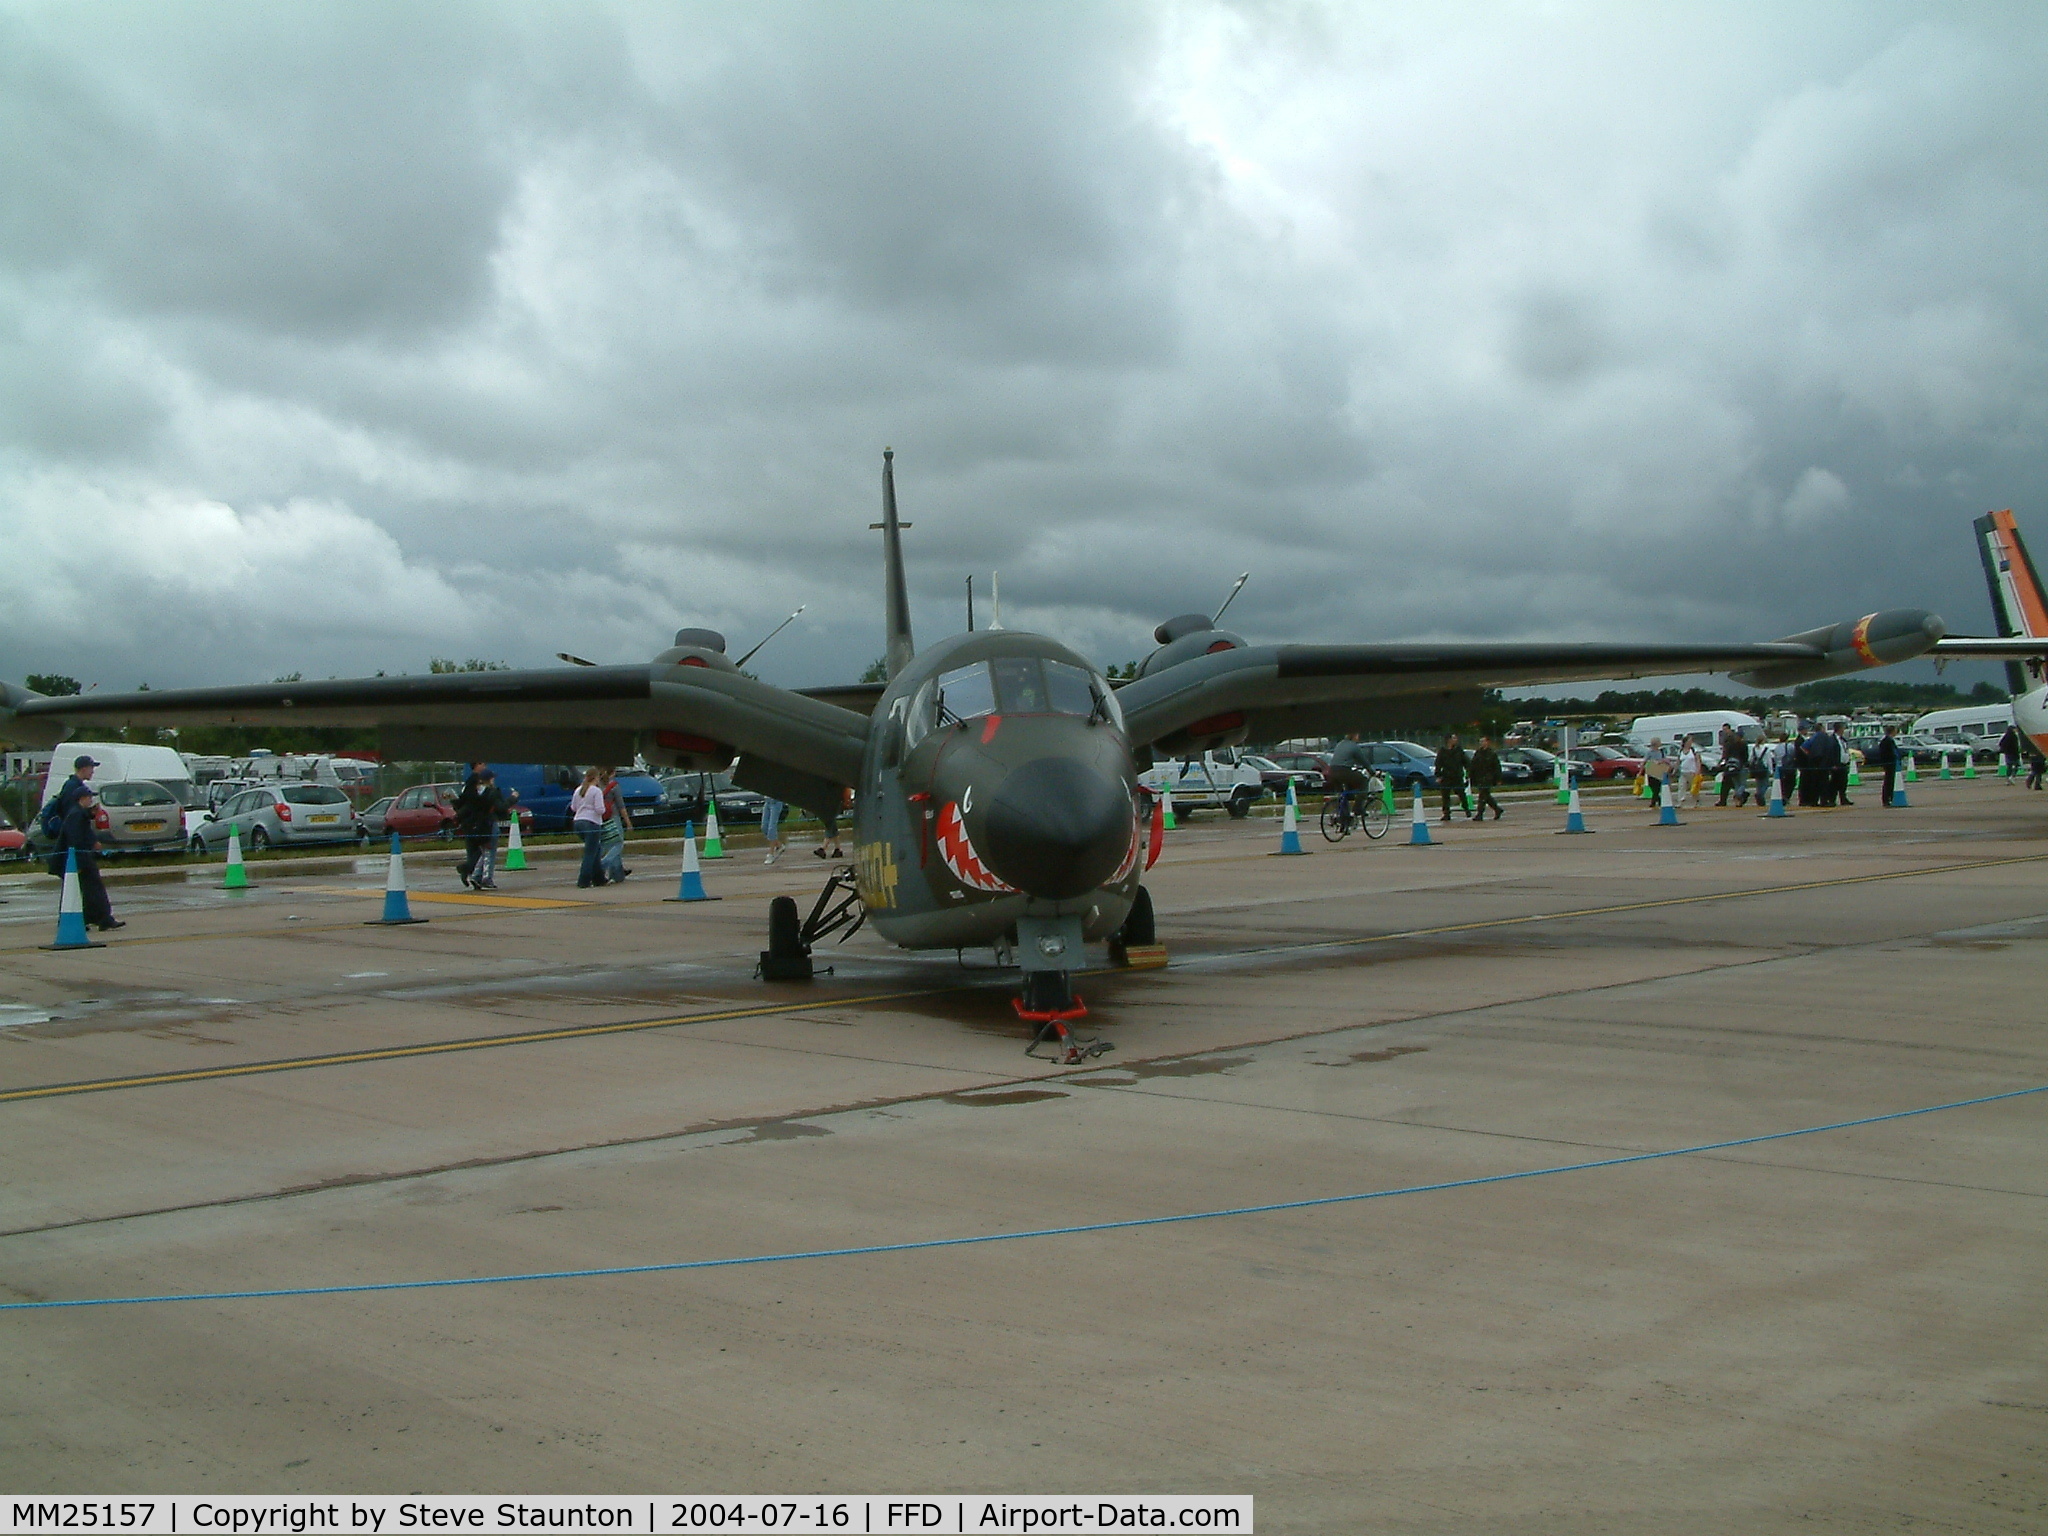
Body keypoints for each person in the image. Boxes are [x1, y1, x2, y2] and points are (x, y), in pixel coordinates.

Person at [51, 779, 121, 931]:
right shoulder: (76, 815)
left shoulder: (77, 814)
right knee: (93, 889)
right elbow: (75, 839)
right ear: (82, 799)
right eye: (89, 798)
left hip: (78, 858)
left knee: (87, 890)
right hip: (79, 859)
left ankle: (91, 918)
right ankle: (102, 918)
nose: (91, 800)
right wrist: (81, 861)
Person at [453, 763, 509, 889]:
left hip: (471, 824)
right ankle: (482, 877)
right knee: (487, 852)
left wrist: (458, 815)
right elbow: (500, 807)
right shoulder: (489, 792)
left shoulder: (469, 788)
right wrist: (512, 799)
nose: (484, 765)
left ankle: (473, 874)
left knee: (478, 852)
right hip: (484, 824)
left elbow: (463, 804)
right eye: (482, 763)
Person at [570, 767, 608, 888]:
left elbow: (573, 808)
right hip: (592, 822)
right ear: (596, 778)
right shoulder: (596, 791)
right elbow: (600, 809)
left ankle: (599, 878)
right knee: (590, 853)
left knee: (595, 849)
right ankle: (583, 880)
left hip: (578, 822)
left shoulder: (578, 790)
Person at [599, 767, 633, 882]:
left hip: (601, 817)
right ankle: (609, 868)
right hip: (613, 817)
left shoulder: (598, 786)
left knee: (608, 844)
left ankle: (617, 872)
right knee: (618, 844)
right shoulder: (614, 786)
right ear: (613, 773)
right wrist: (628, 823)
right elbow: (621, 806)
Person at [1468, 736, 1503, 820]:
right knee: (1486, 796)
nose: (1482, 743)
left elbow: (1497, 767)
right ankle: (1497, 809)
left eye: (1483, 741)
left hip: (1488, 777)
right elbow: (1473, 765)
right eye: (1480, 742)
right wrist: (1471, 775)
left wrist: (1498, 779)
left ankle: (1480, 814)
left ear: (1487, 742)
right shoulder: (1478, 753)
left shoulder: (1492, 754)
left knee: (1482, 796)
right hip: (1479, 777)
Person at [1436, 734, 1468, 822]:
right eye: (1453, 738)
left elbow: (1466, 761)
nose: (1456, 740)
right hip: (1446, 776)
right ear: (1449, 740)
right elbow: (1438, 763)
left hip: (1457, 776)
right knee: (1445, 796)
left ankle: (1466, 808)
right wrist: (1438, 775)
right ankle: (1446, 813)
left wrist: (1469, 772)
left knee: (1461, 793)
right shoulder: (1442, 751)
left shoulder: (1458, 750)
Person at [1716, 726, 1749, 807]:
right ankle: (1740, 795)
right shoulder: (1743, 744)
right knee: (1741, 783)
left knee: (1734, 783)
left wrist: (1723, 763)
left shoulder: (1731, 744)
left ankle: (1735, 798)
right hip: (1740, 765)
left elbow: (1726, 755)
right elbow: (1745, 756)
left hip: (1730, 765)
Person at [814, 785, 850, 859]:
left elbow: (846, 789)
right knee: (832, 825)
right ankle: (838, 849)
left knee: (830, 823)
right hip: (834, 802)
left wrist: (846, 801)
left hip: (835, 802)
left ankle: (823, 848)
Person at [1870, 726, 1900, 807]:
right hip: (1888, 763)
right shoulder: (1886, 741)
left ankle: (1890, 797)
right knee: (1888, 781)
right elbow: (1885, 753)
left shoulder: (1890, 740)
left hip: (1892, 763)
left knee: (1891, 781)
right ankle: (1886, 799)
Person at [1640, 738, 1670, 810]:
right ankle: (1659, 800)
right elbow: (1645, 761)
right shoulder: (1649, 752)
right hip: (1651, 771)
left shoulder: (1661, 752)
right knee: (1652, 786)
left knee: (1658, 787)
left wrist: (1662, 761)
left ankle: (1654, 802)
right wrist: (1641, 770)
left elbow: (1666, 760)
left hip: (1659, 772)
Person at [1832, 725, 1856, 806]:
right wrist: (1833, 764)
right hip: (1837, 764)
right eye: (1843, 728)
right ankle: (1832, 799)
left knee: (1843, 782)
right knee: (1835, 783)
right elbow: (1831, 752)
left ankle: (1843, 798)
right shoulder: (1832, 739)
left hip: (1844, 764)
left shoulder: (1843, 740)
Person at [759, 796, 787, 864]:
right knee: (764, 827)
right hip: (767, 802)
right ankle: (779, 845)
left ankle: (771, 854)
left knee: (772, 828)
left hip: (776, 802)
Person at [1677, 738, 1704, 807]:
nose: (1690, 743)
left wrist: (1698, 770)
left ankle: (1697, 801)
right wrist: (1674, 770)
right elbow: (1678, 762)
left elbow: (1698, 760)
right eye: (1689, 741)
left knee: (1694, 788)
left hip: (1692, 772)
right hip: (1683, 772)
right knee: (1681, 786)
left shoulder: (1694, 750)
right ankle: (1680, 801)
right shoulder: (1680, 751)